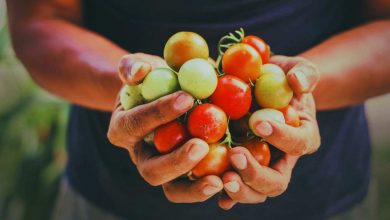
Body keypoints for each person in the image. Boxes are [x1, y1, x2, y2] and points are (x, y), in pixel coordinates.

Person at [6, 0, 390, 219]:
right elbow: (40, 22)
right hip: (113, 201)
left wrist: (304, 90)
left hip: (324, 200)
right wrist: (135, 92)